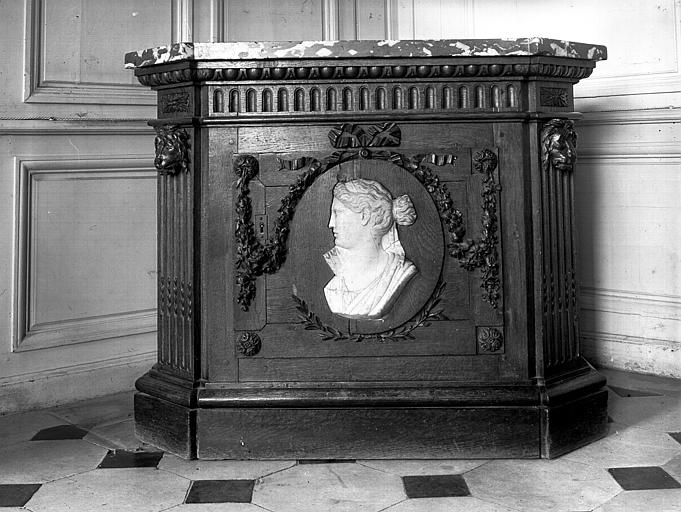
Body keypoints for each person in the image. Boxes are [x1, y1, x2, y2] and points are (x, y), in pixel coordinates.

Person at [323, 178, 417, 319]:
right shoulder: (334, 286)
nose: (331, 223)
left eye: (337, 213)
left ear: (365, 215)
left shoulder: (399, 274)